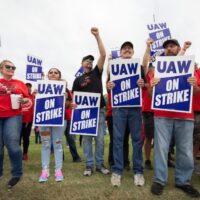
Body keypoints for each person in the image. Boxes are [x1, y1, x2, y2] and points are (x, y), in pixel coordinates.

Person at [149, 39, 200, 198]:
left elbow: (196, 93)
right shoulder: (158, 69)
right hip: (162, 116)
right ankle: (159, 180)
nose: (169, 49)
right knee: (161, 149)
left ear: (177, 48)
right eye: (166, 47)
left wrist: (194, 85)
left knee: (185, 150)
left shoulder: (190, 67)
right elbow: (151, 95)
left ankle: (183, 181)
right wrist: (152, 86)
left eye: (172, 46)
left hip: (185, 116)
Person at [72, 27, 109, 176]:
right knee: (87, 140)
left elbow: (103, 54)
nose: (90, 63)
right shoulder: (77, 80)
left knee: (100, 140)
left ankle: (99, 165)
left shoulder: (96, 73)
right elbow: (74, 98)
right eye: (87, 61)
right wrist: (73, 106)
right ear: (82, 64)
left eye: (91, 61)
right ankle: (89, 165)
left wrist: (97, 36)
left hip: (98, 111)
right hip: (83, 113)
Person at [108, 41, 146, 187]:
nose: (127, 49)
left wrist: (143, 84)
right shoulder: (114, 67)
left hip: (135, 108)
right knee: (117, 140)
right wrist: (108, 85)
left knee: (137, 140)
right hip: (119, 108)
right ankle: (117, 171)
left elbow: (147, 85)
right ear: (121, 52)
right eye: (124, 48)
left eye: (130, 48)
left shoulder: (139, 67)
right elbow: (108, 84)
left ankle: (138, 172)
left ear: (133, 52)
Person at [0, 60, 31, 188]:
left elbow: (28, 99)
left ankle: (17, 174)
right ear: (1, 69)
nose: (11, 69)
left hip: (13, 115)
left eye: (13, 67)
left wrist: (24, 99)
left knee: (12, 144)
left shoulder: (20, 84)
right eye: (8, 66)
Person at [38, 68, 65, 182]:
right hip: (44, 121)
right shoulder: (40, 88)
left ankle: (58, 170)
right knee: (45, 144)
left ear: (59, 75)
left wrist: (66, 98)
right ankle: (45, 170)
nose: (53, 74)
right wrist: (35, 95)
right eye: (51, 72)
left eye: (56, 72)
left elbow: (69, 105)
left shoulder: (64, 88)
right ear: (48, 75)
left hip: (58, 121)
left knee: (58, 145)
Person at [64, 87, 81, 162]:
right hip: (58, 119)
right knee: (58, 140)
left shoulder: (69, 93)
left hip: (67, 119)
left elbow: (70, 104)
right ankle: (60, 157)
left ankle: (76, 157)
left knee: (71, 139)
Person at [20, 83, 34, 161]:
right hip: (19, 121)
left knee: (26, 138)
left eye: (29, 87)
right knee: (18, 138)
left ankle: (25, 153)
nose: (28, 88)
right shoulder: (20, 96)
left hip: (29, 121)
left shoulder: (32, 97)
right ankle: (18, 153)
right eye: (27, 87)